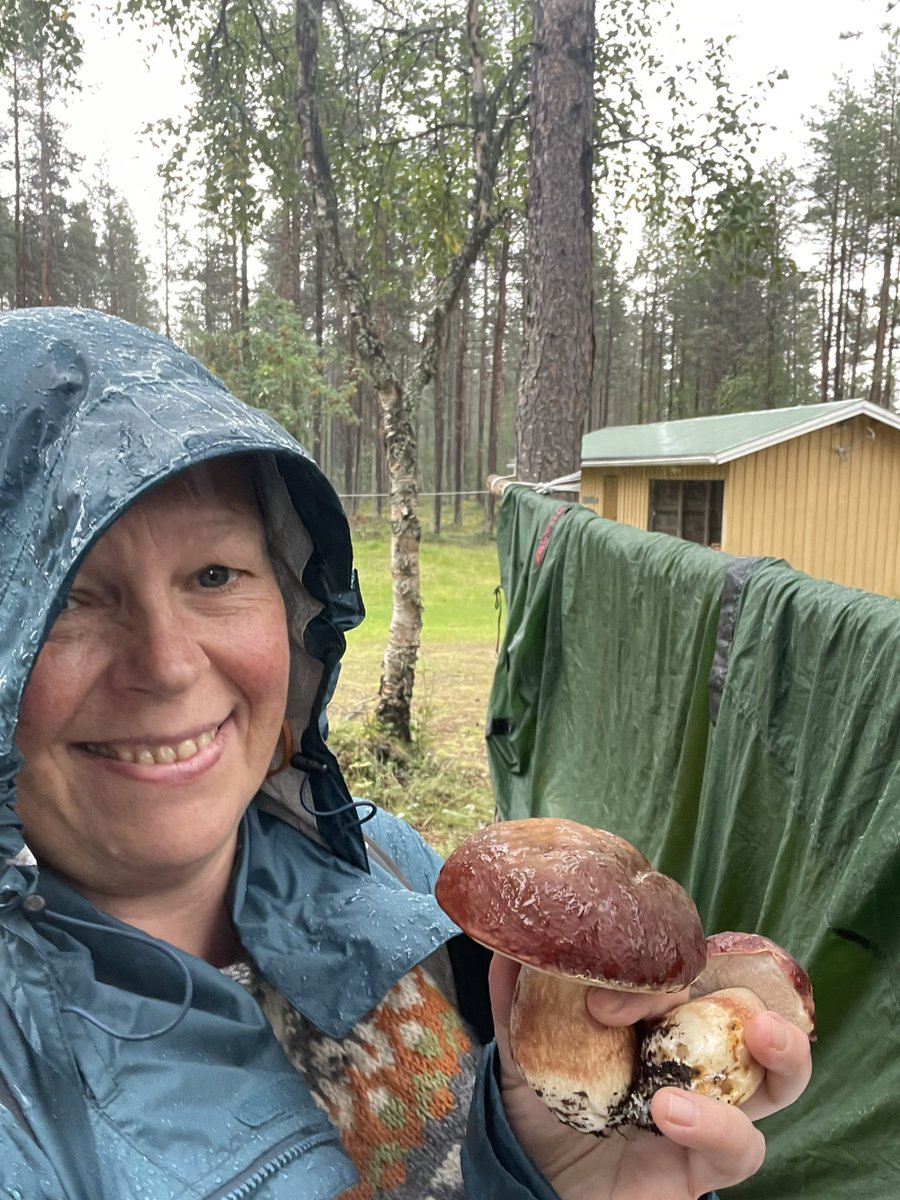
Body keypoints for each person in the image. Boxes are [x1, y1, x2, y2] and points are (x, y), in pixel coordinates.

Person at [0, 307, 811, 1200]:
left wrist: (553, 1174)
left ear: (295, 607)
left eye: (215, 575)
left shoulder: (392, 864)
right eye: (72, 597)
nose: (166, 663)